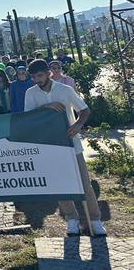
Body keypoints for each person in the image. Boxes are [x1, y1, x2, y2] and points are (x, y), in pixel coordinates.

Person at [24, 59, 106, 236]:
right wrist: (46, 107)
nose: (37, 80)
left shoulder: (65, 89)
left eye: (40, 75)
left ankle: (95, 220)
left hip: (71, 144)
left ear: (48, 73)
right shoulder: (30, 93)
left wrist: (77, 125)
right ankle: (72, 219)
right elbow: (28, 118)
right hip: (49, 145)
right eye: (34, 77)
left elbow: (84, 110)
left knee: (85, 184)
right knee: (60, 184)